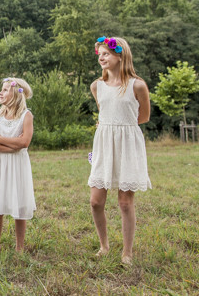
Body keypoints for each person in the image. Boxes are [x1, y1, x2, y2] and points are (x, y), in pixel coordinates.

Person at [88, 36, 151, 266]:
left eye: (106, 54)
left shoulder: (137, 85)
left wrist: (122, 128)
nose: (102, 58)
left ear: (120, 55)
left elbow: (143, 117)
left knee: (125, 202)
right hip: (103, 144)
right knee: (95, 201)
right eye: (100, 54)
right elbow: (103, 112)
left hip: (128, 144)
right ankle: (104, 245)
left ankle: (127, 252)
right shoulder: (97, 86)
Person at [0, 77, 35, 252]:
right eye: (2, 89)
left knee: (19, 204)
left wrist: (1, 138)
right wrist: (10, 146)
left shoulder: (26, 116)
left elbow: (25, 143)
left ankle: (19, 246)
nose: (1, 92)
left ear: (16, 93)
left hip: (18, 165)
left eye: (5, 90)